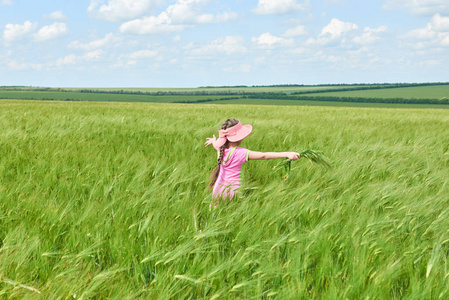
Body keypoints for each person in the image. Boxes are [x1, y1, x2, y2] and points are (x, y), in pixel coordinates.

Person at [204, 118, 301, 203]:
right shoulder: (240, 152)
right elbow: (264, 156)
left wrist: (213, 141)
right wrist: (287, 154)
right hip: (233, 192)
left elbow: (216, 145)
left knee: (215, 214)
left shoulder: (220, 148)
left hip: (217, 190)